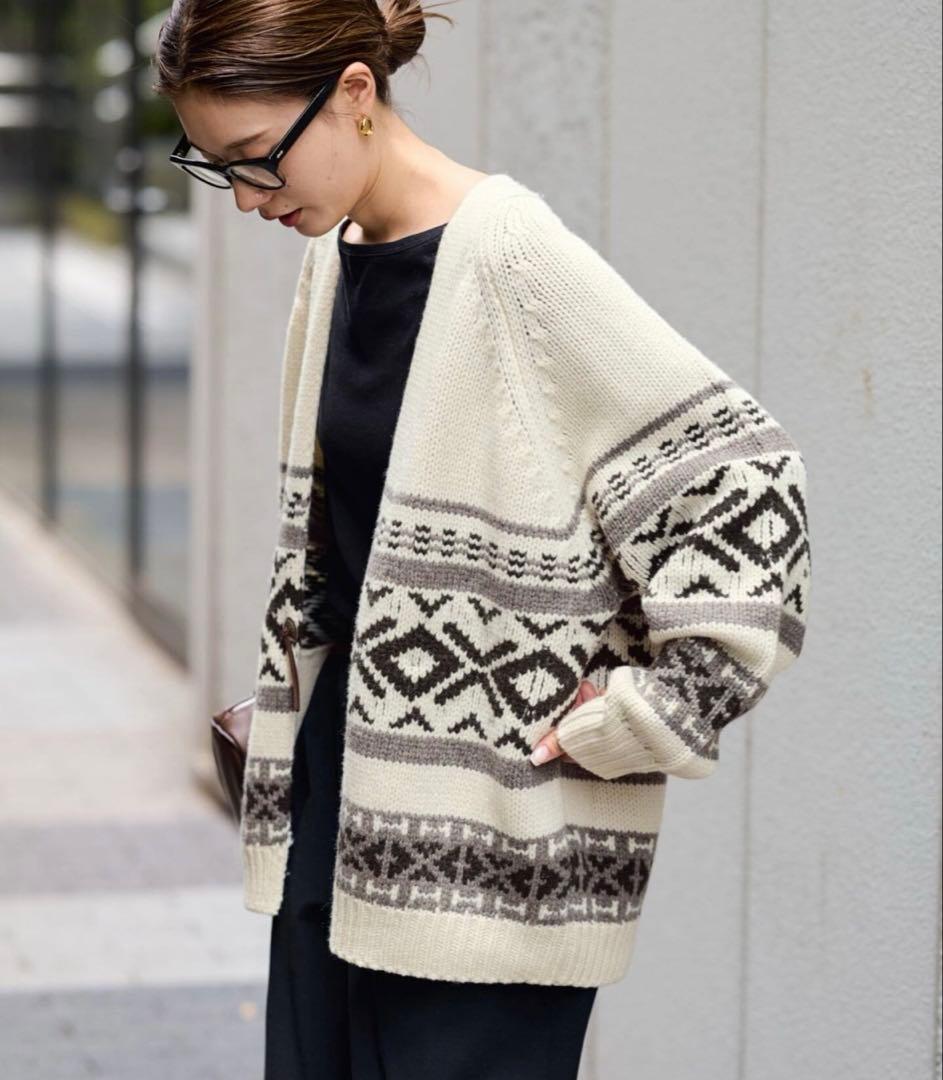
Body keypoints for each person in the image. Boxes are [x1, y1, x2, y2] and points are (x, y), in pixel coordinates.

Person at [152, 2, 811, 1078]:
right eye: (217, 165)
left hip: (490, 851)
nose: (247, 197)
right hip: (337, 804)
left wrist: (650, 712)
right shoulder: (337, 254)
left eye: (258, 157)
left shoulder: (511, 259)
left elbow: (746, 487)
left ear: (355, 94)